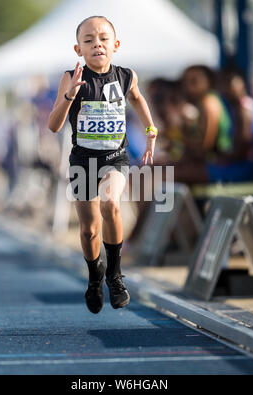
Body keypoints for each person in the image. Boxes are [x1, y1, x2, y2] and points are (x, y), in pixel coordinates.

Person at [48, 16, 157, 314]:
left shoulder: (126, 76)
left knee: (111, 204)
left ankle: (114, 274)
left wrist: (150, 130)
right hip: (82, 160)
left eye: (103, 38)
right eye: (88, 40)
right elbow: (54, 126)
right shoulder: (70, 77)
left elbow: (137, 98)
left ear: (115, 45)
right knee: (88, 231)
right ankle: (94, 276)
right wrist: (70, 95)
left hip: (114, 158)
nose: (97, 43)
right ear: (78, 49)